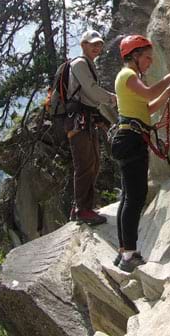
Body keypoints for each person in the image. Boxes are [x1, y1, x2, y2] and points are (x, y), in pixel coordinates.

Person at [111, 35, 170, 271]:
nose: (149, 63)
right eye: (147, 58)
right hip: (131, 140)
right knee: (135, 197)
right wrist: (169, 78)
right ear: (134, 56)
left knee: (129, 197)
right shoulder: (128, 75)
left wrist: (167, 93)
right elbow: (150, 94)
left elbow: (148, 107)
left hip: (129, 138)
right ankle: (129, 255)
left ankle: (124, 250)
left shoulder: (129, 78)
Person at [66, 29, 117, 226]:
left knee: (92, 163)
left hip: (84, 119)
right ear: (83, 45)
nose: (97, 47)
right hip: (77, 120)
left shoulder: (88, 64)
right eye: (92, 43)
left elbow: (89, 97)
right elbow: (91, 91)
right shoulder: (79, 64)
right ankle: (82, 209)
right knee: (85, 164)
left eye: (99, 44)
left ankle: (81, 207)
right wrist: (112, 99)